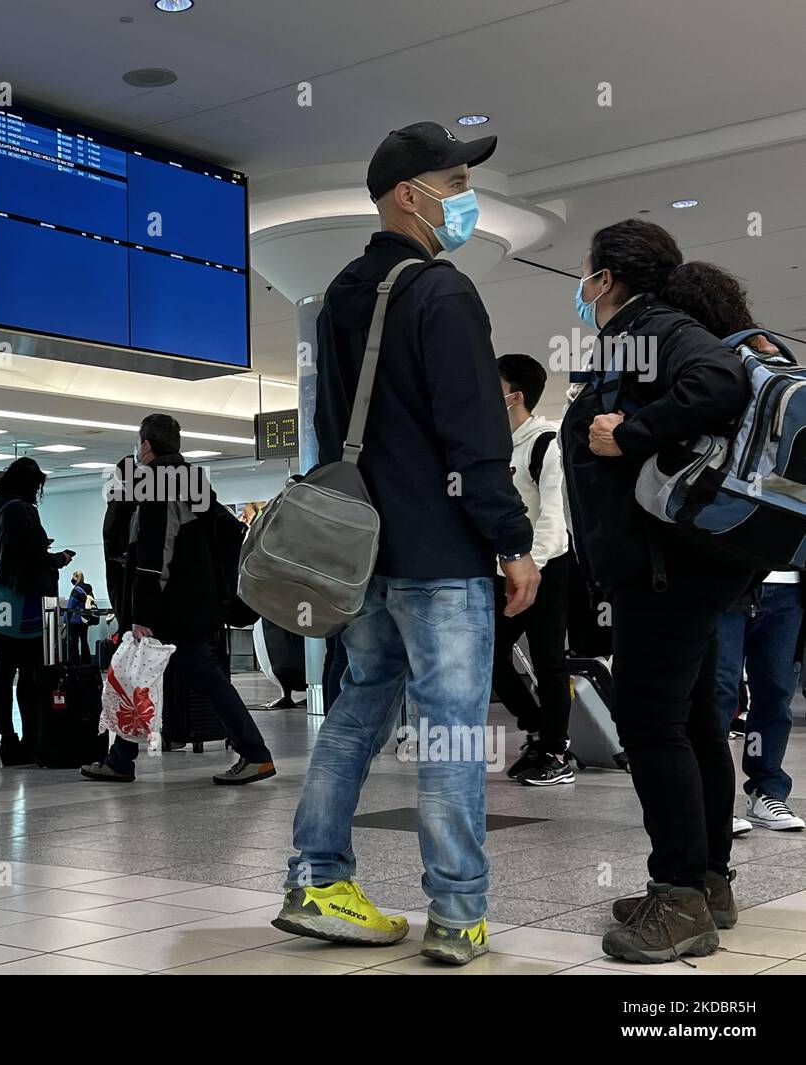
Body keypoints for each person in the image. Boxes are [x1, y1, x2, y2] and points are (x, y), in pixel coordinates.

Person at [271, 122, 538, 966]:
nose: (465, 197)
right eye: (453, 182)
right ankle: (457, 913)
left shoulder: (340, 295)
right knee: (453, 729)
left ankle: (318, 877)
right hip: (441, 556)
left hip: (361, 556)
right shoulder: (442, 291)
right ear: (406, 196)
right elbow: (473, 433)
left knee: (356, 711)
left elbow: (324, 429)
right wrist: (513, 540)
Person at [561, 221, 755, 963]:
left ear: (606, 278)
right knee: (695, 724)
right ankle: (705, 881)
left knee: (651, 726)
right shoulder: (642, 336)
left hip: (664, 573)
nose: (581, 286)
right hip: (684, 567)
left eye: (584, 273)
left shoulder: (656, 328)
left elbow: (720, 382)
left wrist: (633, 431)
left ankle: (678, 899)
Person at [658, 260, 804, 835]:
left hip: (732, 551)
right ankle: (751, 790)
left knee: (725, 689)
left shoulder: (715, 366)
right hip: (773, 562)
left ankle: (758, 789)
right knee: (766, 691)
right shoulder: (772, 359)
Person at [81, 412, 277, 786]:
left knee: (189, 679)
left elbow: (156, 557)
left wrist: (142, 612)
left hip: (174, 609)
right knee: (147, 677)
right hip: (199, 602)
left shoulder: (157, 483)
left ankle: (255, 754)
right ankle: (121, 758)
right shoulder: (193, 480)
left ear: (146, 445)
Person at [490, 353, 574, 786]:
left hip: (545, 567)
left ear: (515, 395)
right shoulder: (494, 445)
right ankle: (540, 727)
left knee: (548, 660)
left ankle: (556, 752)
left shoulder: (547, 442)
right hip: (503, 569)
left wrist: (530, 567)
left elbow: (554, 518)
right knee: (490, 655)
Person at [0, 457, 74, 767]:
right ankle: (31, 739)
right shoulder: (23, 510)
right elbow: (33, 556)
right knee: (29, 672)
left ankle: (8, 739)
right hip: (20, 597)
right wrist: (59, 559)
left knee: (3, 670)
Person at [65, 570, 95, 663]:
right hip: (85, 619)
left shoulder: (75, 590)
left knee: (74, 643)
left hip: (74, 620)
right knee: (84, 642)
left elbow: (70, 605)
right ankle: (86, 663)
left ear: (75, 578)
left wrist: (65, 619)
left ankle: (75, 663)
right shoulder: (88, 589)